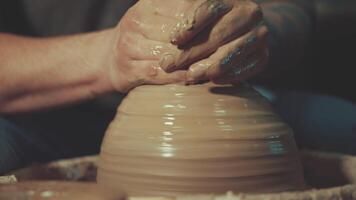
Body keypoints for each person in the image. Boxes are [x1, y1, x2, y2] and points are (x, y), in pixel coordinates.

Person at [0, 0, 355, 174]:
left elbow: (295, 11)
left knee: (344, 126)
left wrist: (255, 34)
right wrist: (108, 56)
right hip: (48, 105)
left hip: (224, 93)